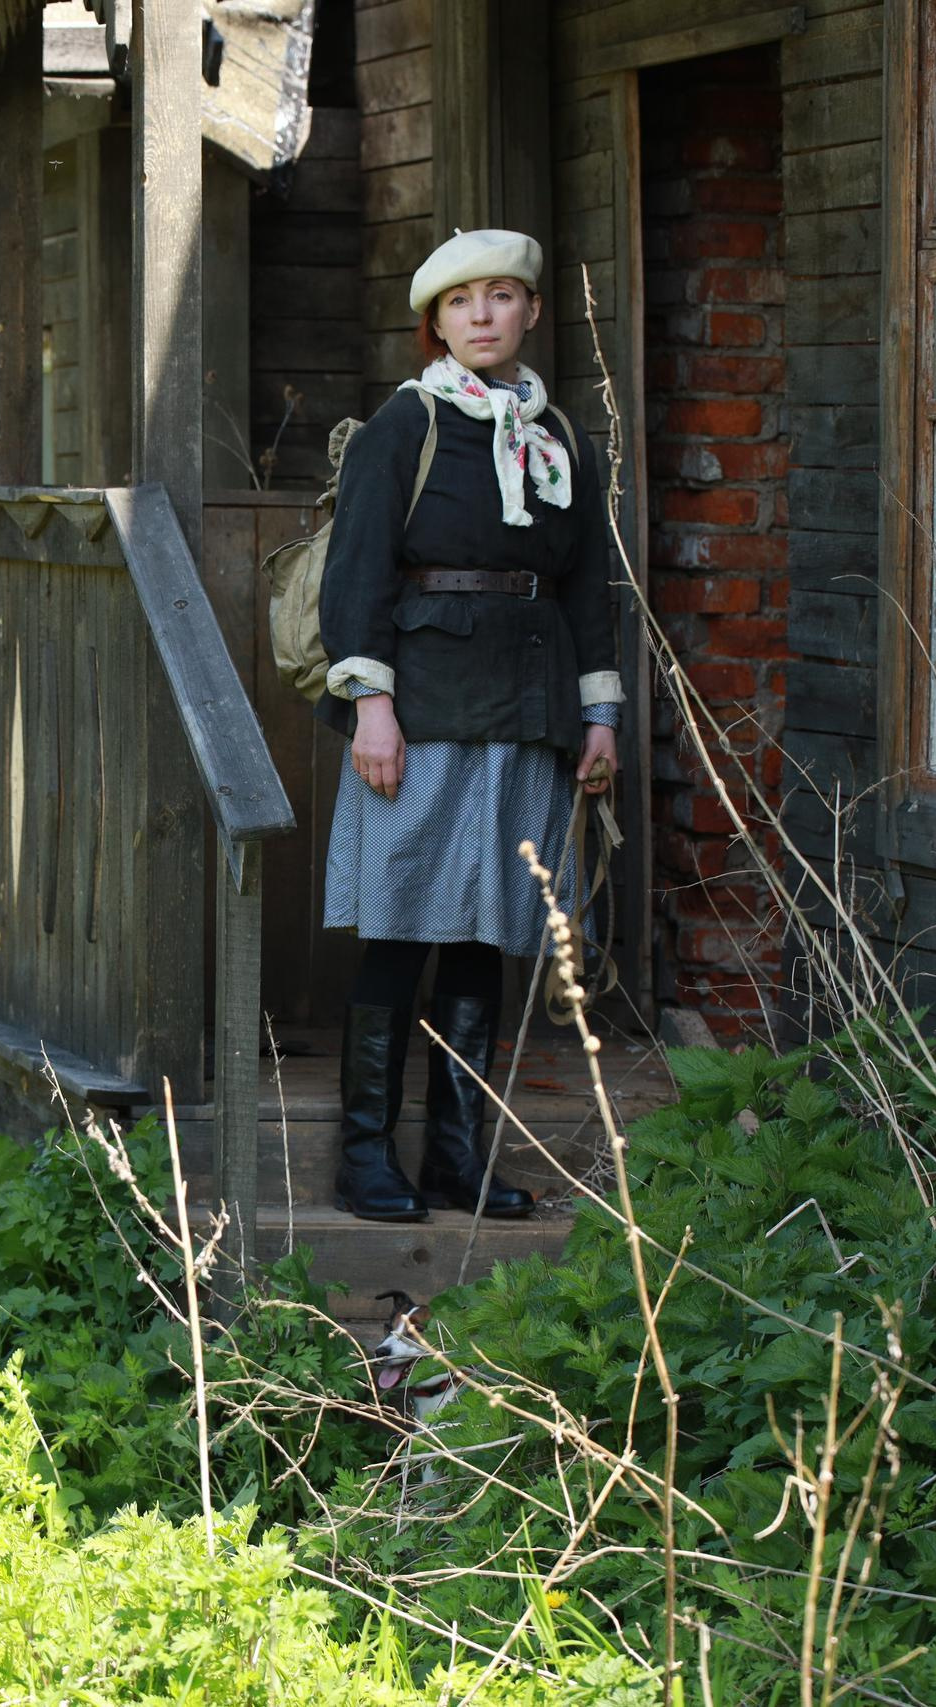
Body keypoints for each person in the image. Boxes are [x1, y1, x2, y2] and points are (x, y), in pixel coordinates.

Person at [314, 229, 623, 1225]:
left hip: (526, 710)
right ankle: (364, 1159)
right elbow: (354, 573)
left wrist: (598, 714)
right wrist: (372, 708)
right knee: (403, 925)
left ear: (530, 311)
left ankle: (456, 1158)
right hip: (423, 711)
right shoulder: (401, 428)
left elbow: (586, 589)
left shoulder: (561, 438)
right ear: (434, 324)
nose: (482, 315)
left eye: (500, 296)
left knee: (490, 929)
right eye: (460, 303)